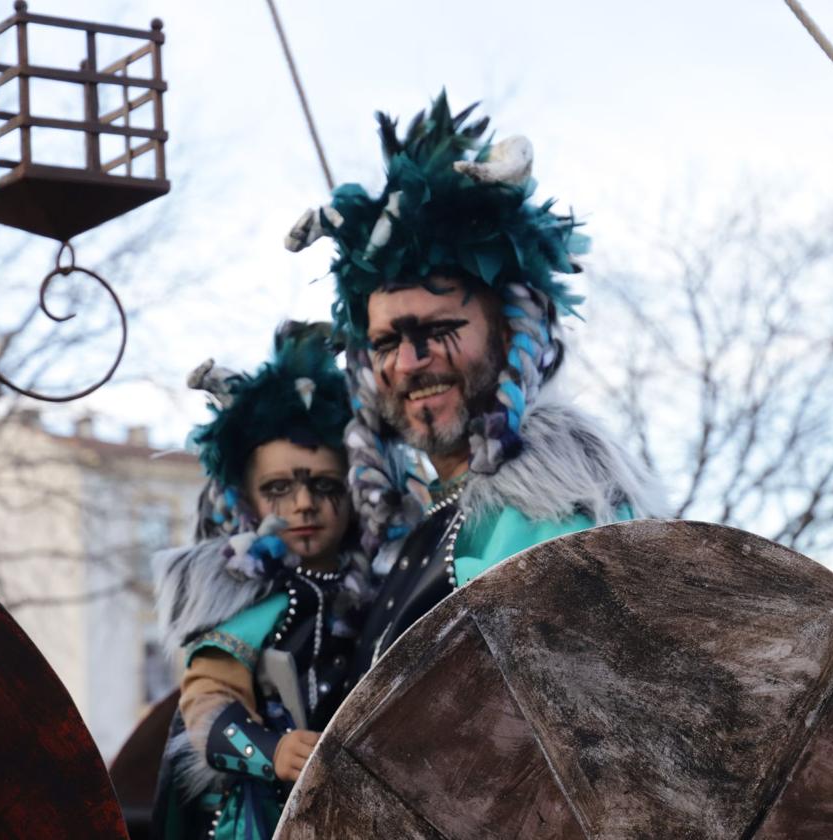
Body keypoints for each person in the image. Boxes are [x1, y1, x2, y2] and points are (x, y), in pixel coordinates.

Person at [284, 93, 666, 684]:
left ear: (512, 334)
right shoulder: (420, 520)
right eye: (386, 342)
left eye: (439, 330)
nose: (410, 362)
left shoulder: (555, 509)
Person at [151, 322, 372, 840]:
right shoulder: (238, 596)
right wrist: (270, 750)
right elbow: (206, 701)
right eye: (278, 488)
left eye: (325, 485)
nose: (302, 504)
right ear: (247, 499)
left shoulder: (387, 586)